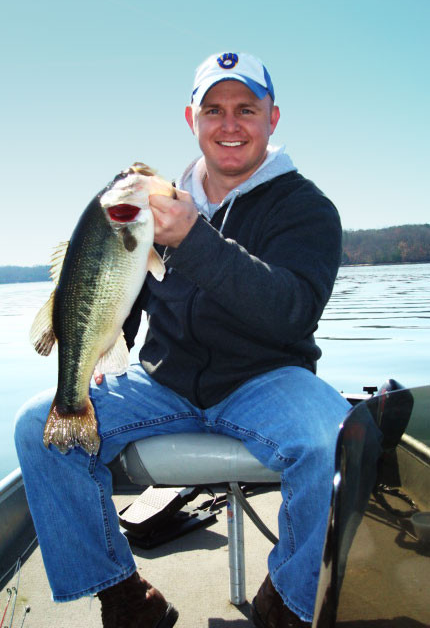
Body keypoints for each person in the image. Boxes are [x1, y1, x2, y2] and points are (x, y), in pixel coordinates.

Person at [15, 51, 350, 628]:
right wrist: (99, 351)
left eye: (247, 108)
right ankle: (125, 598)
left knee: (334, 438)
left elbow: (291, 311)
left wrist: (195, 240)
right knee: (37, 426)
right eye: (213, 109)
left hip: (266, 382)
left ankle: (287, 603)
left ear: (273, 118)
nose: (229, 124)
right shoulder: (154, 204)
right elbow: (122, 290)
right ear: (191, 119)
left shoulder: (306, 208)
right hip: (162, 384)